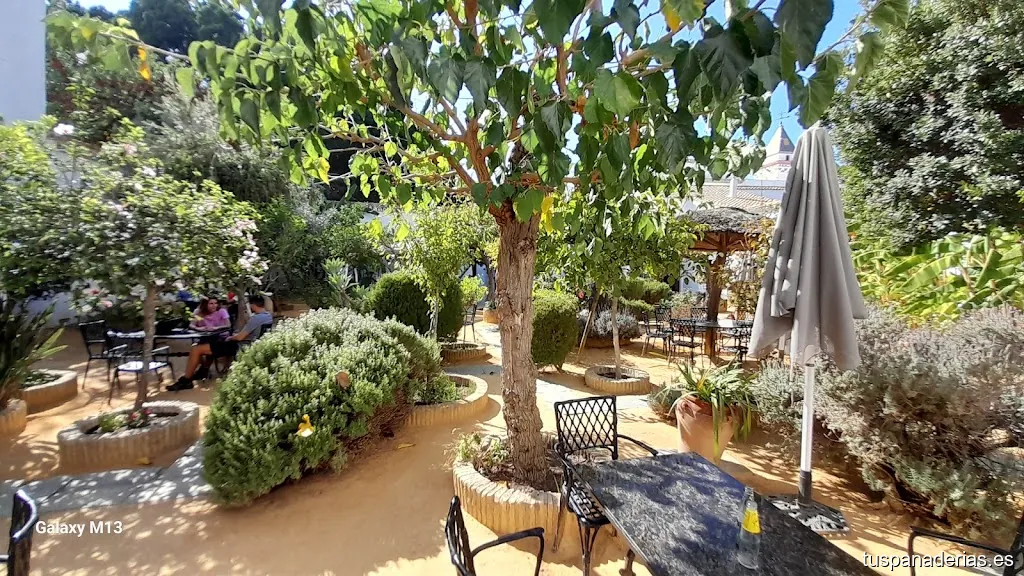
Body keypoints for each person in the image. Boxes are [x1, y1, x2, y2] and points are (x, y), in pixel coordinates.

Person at [167, 294, 273, 391]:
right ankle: (199, 372)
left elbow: (240, 337)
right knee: (200, 347)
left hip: (239, 345)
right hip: (247, 344)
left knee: (196, 349)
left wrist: (231, 337)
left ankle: (186, 380)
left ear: (253, 305)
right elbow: (193, 323)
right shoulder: (268, 316)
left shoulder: (255, 318)